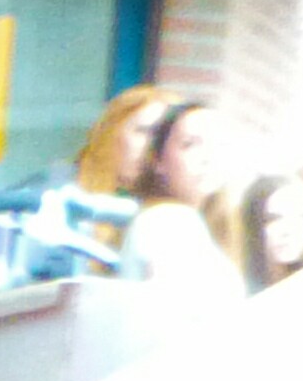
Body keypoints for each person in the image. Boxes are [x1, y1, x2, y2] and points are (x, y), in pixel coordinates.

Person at [76, 85, 239, 292]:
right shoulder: (166, 220)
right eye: (189, 144)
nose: (207, 157)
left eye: (218, 144)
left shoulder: (204, 227)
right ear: (158, 159)